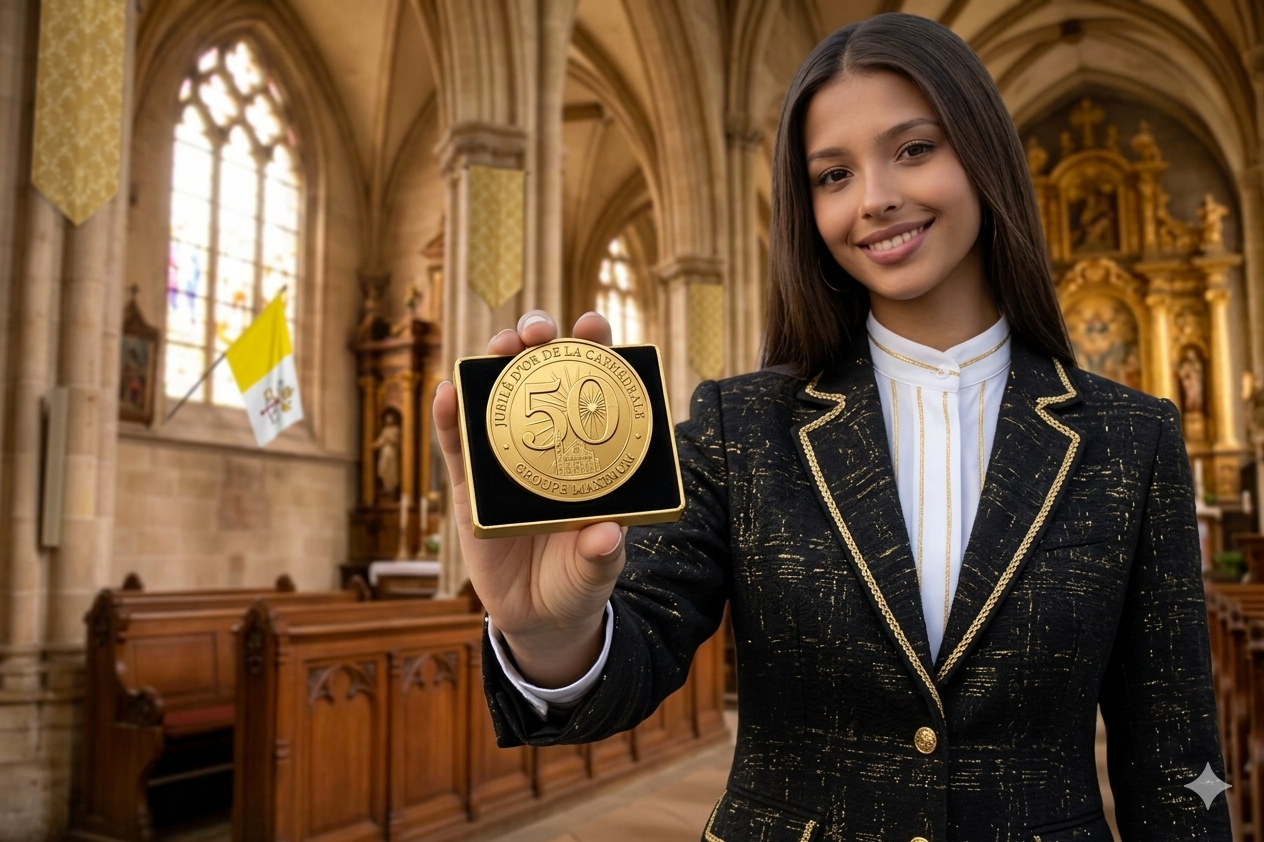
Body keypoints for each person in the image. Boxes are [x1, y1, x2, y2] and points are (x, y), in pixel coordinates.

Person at [433, 13, 1230, 841]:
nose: (876, 197)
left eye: (914, 148)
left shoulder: (1130, 438)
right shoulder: (740, 425)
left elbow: (1175, 763)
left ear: (984, 151)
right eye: (833, 174)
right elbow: (635, 655)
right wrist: (548, 634)